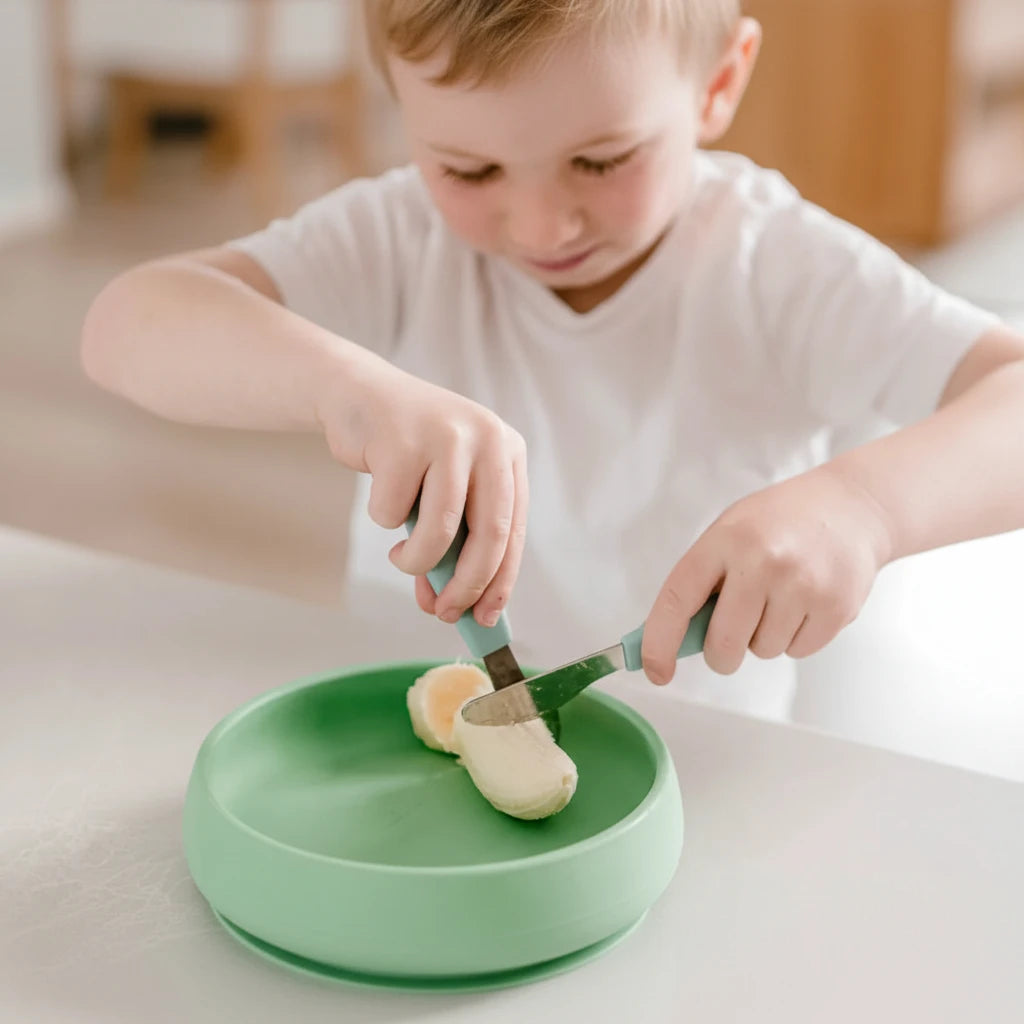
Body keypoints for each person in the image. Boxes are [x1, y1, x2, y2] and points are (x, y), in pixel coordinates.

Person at [80, 0, 1024, 720]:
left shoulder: (776, 265)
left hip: (704, 774)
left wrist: (862, 510)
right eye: (470, 170)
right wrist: (345, 387)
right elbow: (126, 323)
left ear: (718, 83)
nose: (539, 226)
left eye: (603, 160)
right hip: (415, 735)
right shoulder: (400, 237)